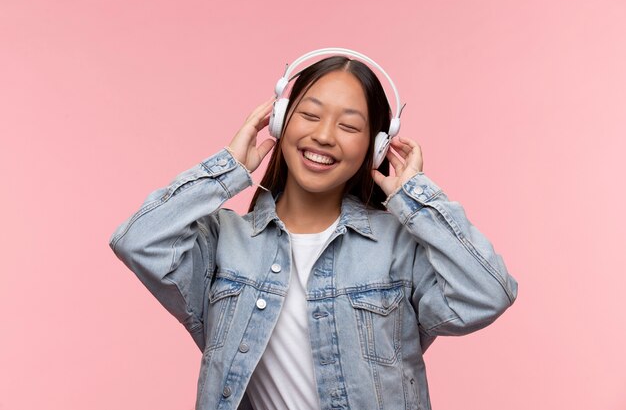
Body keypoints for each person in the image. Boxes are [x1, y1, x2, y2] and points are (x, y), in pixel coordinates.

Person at [109, 49, 518, 410]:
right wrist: (228, 169)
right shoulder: (224, 242)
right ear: (281, 122)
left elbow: (487, 294)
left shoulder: (398, 247)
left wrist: (415, 199)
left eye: (349, 126)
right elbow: (138, 241)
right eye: (309, 114)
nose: (323, 136)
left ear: (375, 147)